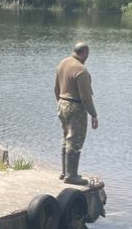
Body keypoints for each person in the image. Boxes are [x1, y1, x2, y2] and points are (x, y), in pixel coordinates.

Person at [54, 41, 98, 185]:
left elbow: (56, 88)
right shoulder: (81, 70)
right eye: (88, 54)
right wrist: (94, 114)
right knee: (75, 140)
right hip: (75, 107)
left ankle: (64, 172)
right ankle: (71, 175)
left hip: (62, 103)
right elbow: (85, 97)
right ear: (84, 53)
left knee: (66, 137)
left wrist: (60, 103)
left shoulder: (62, 63)